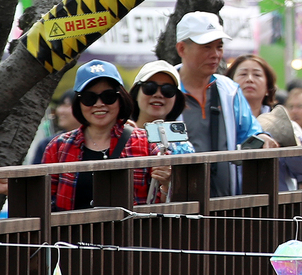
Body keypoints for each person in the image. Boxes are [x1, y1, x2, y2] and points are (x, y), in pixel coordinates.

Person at [43, 60, 168, 210]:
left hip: (130, 232)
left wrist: (167, 183)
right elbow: (43, 201)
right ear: (79, 103)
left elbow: (164, 204)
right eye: (89, 98)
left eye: (108, 96)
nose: (99, 103)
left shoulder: (147, 144)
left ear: (121, 99)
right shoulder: (58, 146)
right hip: (73, 233)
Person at [174, 11, 270, 197]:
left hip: (225, 205)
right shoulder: (164, 87)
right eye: (206, 47)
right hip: (176, 204)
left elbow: (251, 133)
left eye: (219, 47)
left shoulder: (230, 90)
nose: (215, 54)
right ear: (181, 49)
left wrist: (263, 137)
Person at [131, 60, 196, 203]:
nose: (158, 94)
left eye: (168, 90)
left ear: (176, 99)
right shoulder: (119, 135)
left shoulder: (183, 147)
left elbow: (190, 198)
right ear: (136, 93)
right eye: (150, 87)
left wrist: (168, 184)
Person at [28, 90, 79, 164]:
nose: (59, 111)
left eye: (66, 105)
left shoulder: (93, 141)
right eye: (60, 105)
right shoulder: (50, 144)